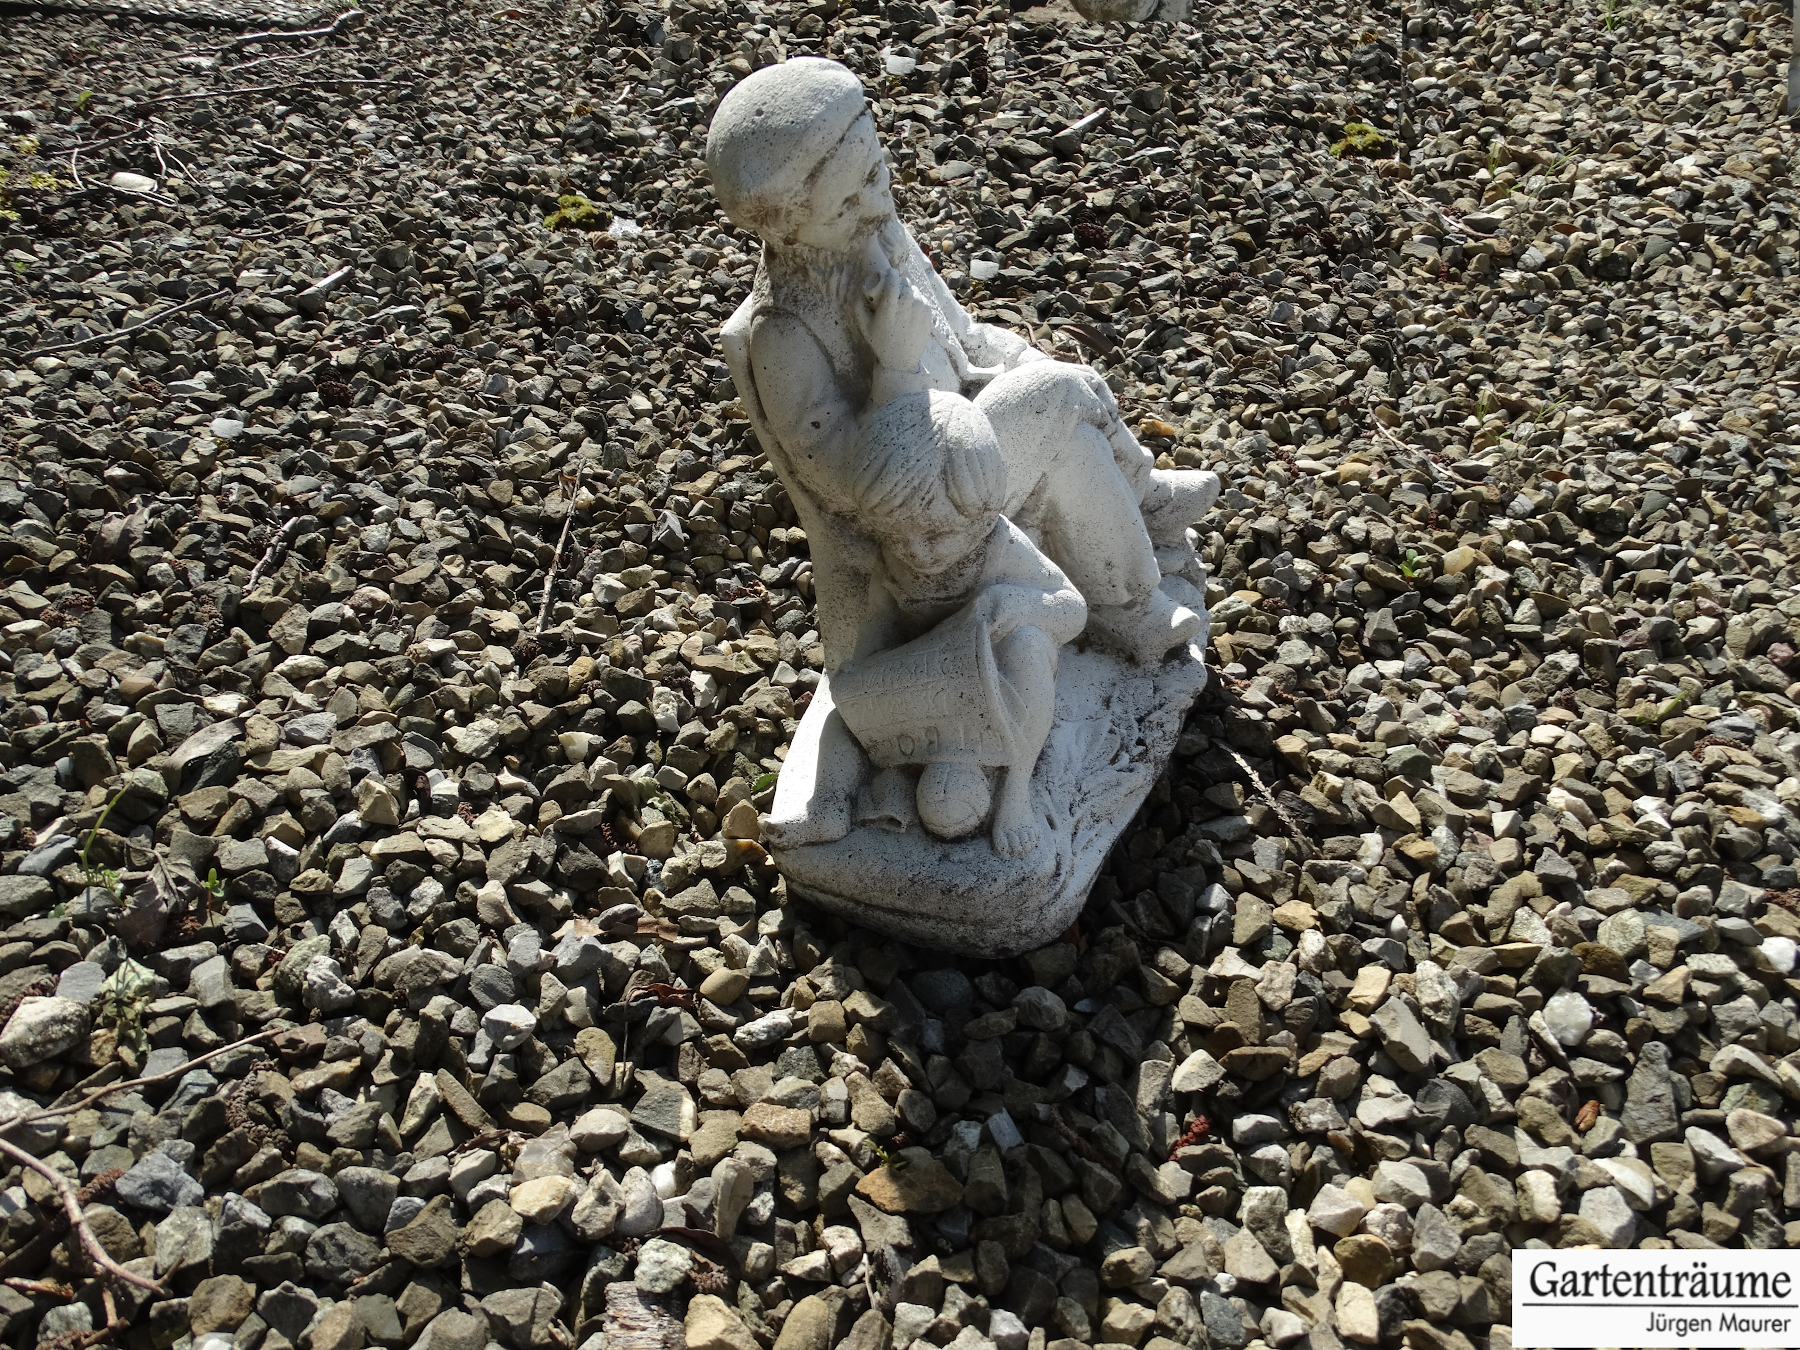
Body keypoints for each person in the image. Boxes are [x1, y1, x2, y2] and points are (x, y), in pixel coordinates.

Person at [707, 56, 1218, 849]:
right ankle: (1137, 565)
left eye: (875, 171)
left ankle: (1133, 575)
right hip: (918, 524)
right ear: (788, 227)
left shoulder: (876, 235)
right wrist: (896, 368)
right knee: (1060, 398)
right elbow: (850, 489)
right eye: (848, 200)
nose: (877, 203)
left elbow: (969, 337)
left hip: (964, 444)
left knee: (1057, 407)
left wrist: (1005, 374)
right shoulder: (783, 335)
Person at [829, 389, 1086, 859]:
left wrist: (1017, 602)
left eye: (936, 534)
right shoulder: (895, 560)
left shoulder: (1001, 547)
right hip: (931, 685)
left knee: (1028, 645)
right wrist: (864, 676)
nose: (916, 551)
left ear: (983, 517)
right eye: (896, 535)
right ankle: (830, 801)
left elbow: (1072, 609)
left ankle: (1015, 788)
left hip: (1002, 682)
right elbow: (880, 624)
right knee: (840, 712)